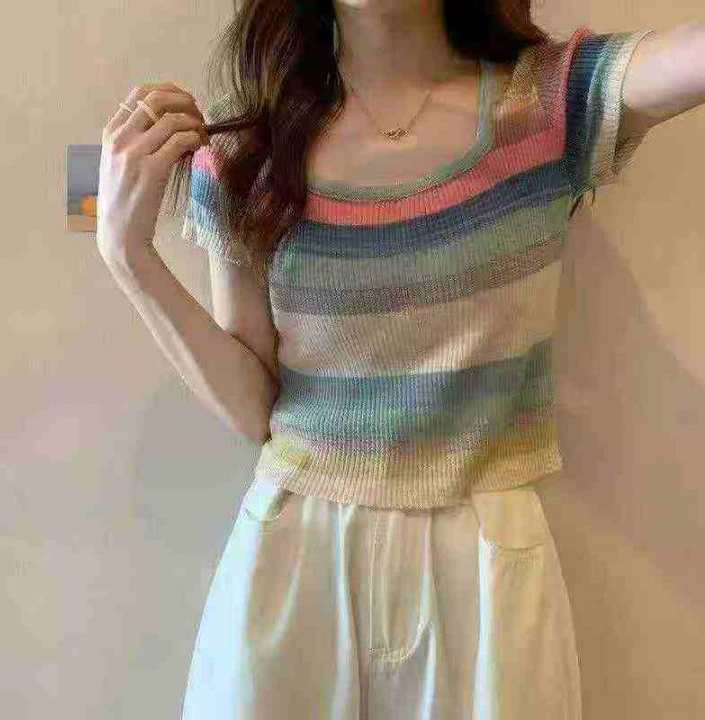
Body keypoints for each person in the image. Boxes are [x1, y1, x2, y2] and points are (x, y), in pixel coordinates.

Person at [97, 1, 704, 717]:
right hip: (295, 563)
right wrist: (127, 254)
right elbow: (256, 407)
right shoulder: (249, 154)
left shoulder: (546, 105)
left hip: (485, 570)